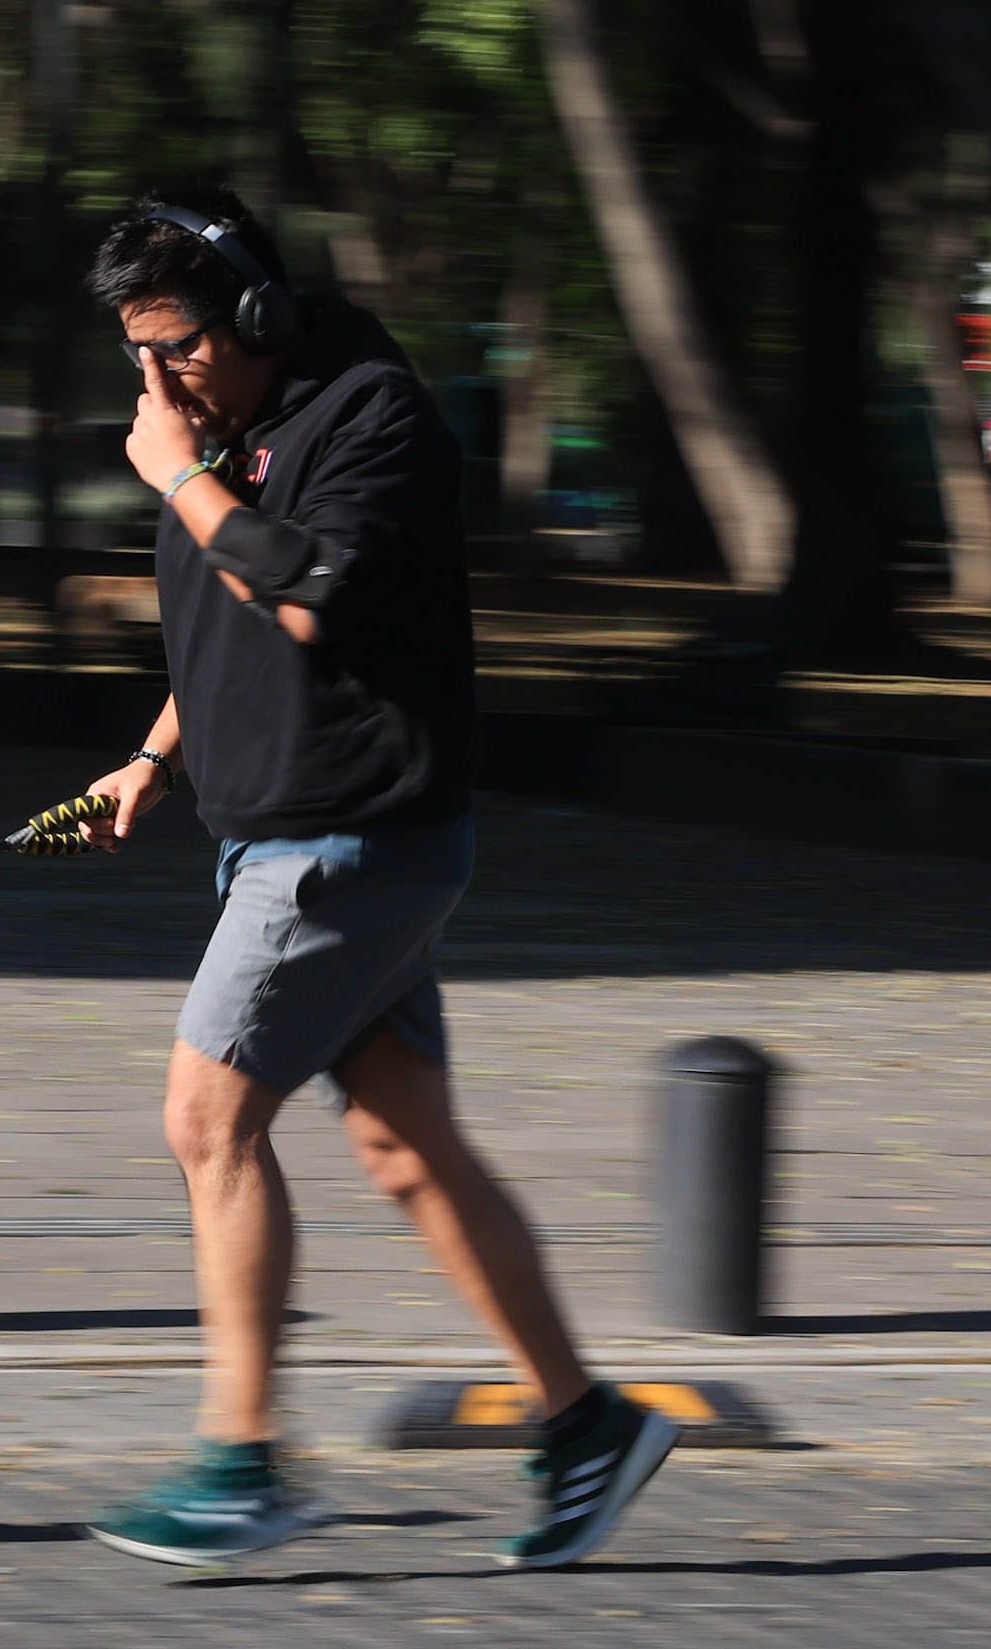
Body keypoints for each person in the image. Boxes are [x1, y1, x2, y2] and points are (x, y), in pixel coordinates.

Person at [66, 183, 673, 1571]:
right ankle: (587, 1428)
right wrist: (151, 759)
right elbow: (219, 625)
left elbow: (302, 592)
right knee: (405, 1147)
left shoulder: (371, 420)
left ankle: (243, 1462)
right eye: (137, 356)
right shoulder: (228, 430)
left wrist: (176, 477)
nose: (160, 383)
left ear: (260, 314)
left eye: (181, 348)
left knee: (206, 1121)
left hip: (348, 837)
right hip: (284, 829)